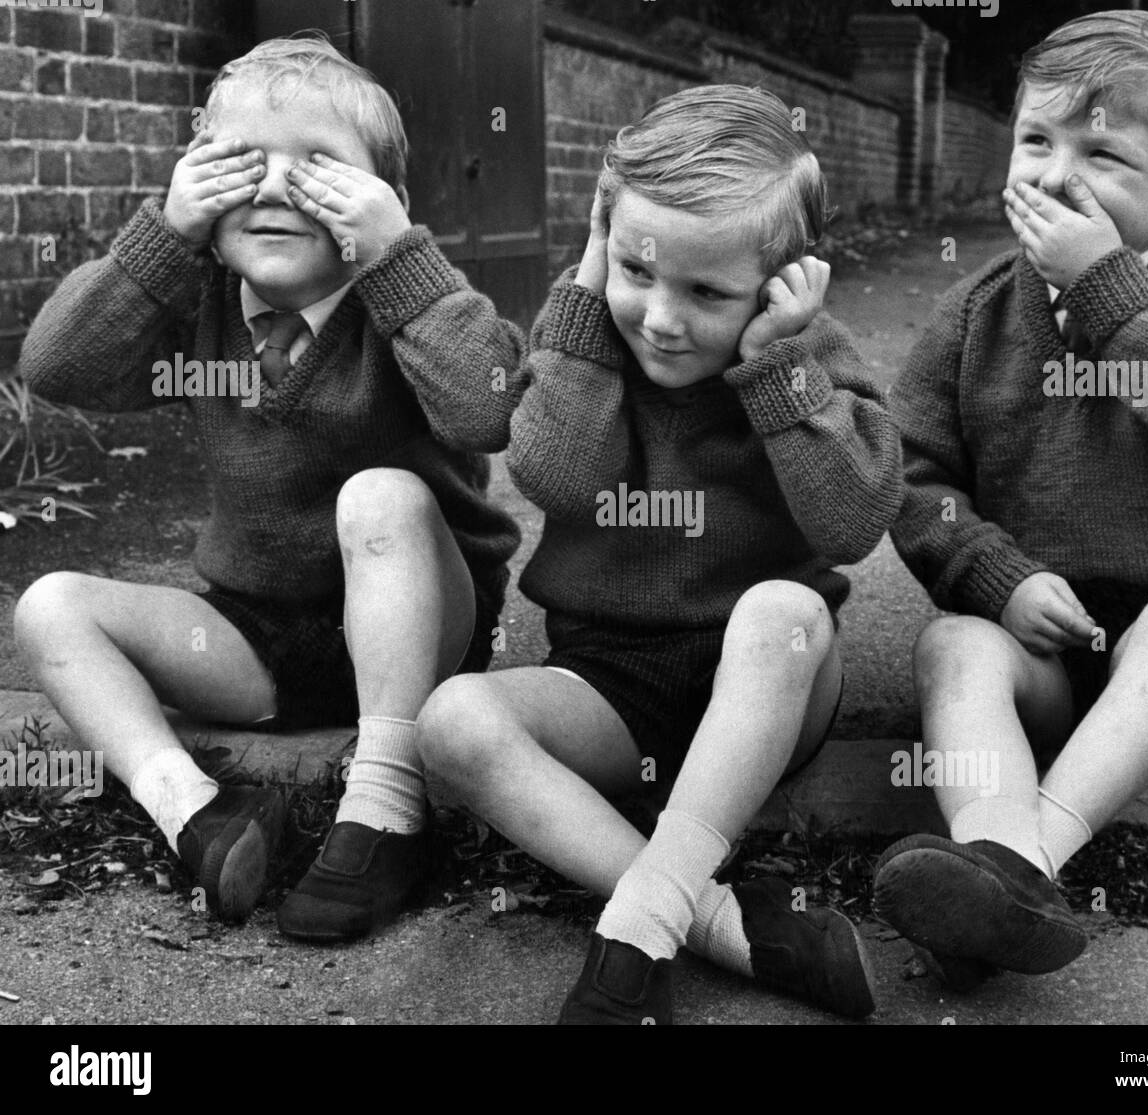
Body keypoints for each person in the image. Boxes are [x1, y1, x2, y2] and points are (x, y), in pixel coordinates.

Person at [14, 36, 524, 935]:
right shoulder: (202, 302)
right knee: (51, 606)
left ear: (388, 203)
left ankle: (386, 807)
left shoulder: (400, 302)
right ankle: (197, 814)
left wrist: (400, 260)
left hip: (423, 631)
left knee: (378, 495)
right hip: (260, 640)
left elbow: (489, 411)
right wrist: (164, 236)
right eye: (238, 163)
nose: (274, 188)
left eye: (320, 168)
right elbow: (59, 366)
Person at [416, 84, 903, 1024]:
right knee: (452, 722)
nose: (663, 318)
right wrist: (588, 293)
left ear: (782, 282)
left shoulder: (804, 357)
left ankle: (636, 926)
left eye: (708, 292)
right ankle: (707, 914)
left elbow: (852, 521)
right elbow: (554, 474)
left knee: (782, 613)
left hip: (768, 683)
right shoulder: (594, 338)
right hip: (610, 685)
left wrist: (774, 365)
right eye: (639, 269)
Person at [874, 10, 1148, 985]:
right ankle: (991, 875)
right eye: (1035, 140)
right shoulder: (975, 311)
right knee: (949, 643)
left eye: (1101, 154)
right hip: (1035, 644)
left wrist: (1106, 285)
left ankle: (1022, 865)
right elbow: (912, 477)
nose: (1053, 176)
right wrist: (993, 576)